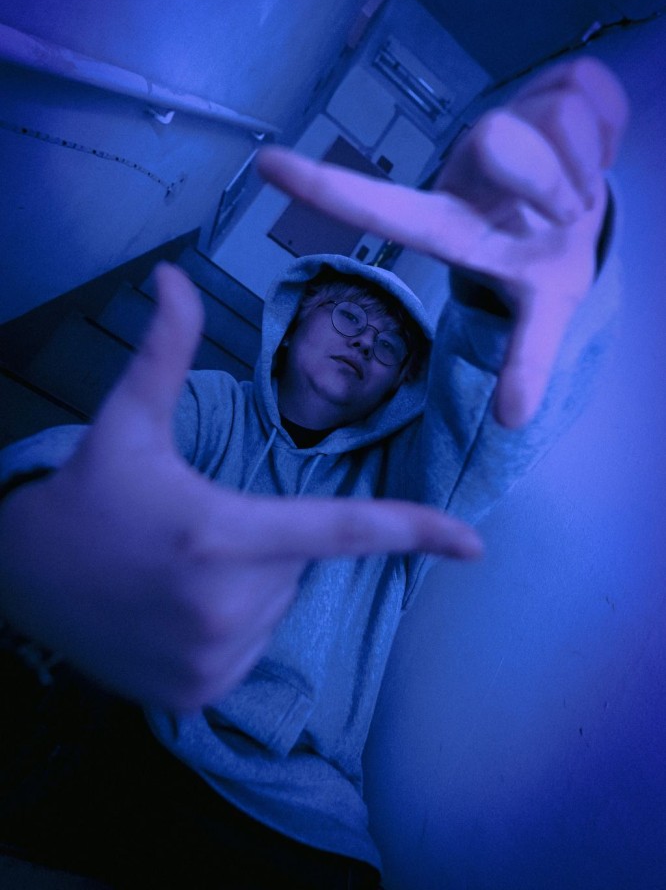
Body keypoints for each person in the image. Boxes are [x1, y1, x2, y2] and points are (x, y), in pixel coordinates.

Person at [0, 56, 628, 887]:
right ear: (291, 326)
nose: (367, 339)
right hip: (121, 703)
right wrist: (35, 515)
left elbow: (486, 415)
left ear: (399, 386)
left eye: (391, 344)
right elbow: (98, 457)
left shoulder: (409, 481)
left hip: (287, 807)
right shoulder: (213, 404)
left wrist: (512, 301)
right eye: (349, 315)